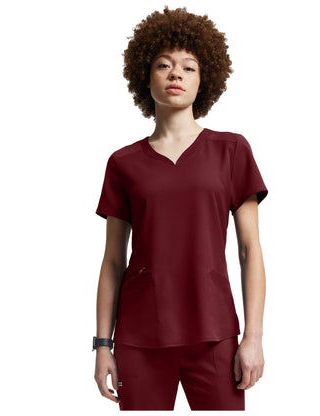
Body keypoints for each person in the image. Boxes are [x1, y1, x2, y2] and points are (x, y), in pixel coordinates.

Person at [93, 5, 269, 411]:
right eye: (164, 65)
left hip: (215, 332)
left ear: (204, 80)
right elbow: (113, 260)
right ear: (145, 76)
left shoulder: (232, 150)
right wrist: (103, 344)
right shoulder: (123, 163)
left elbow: (250, 250)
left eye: (189, 67)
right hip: (140, 335)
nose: (176, 74)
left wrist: (253, 337)